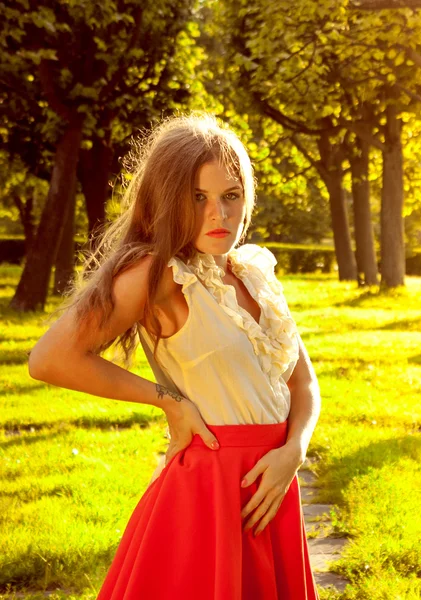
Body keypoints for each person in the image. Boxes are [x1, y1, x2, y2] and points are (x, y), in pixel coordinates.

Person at [28, 113, 322, 599]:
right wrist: (169, 401)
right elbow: (51, 358)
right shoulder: (158, 274)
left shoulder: (253, 274)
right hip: (208, 495)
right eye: (197, 198)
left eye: (231, 196)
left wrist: (294, 451)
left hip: (273, 488)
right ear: (168, 199)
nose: (219, 215)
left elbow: (303, 384)